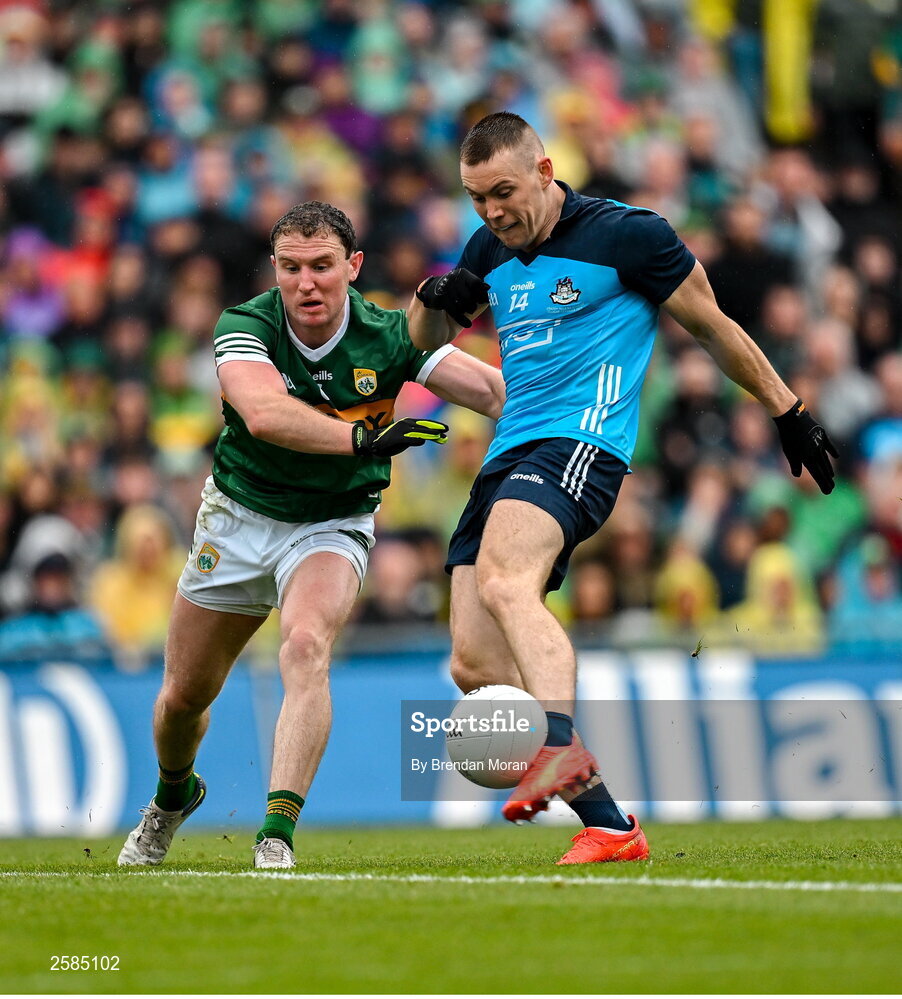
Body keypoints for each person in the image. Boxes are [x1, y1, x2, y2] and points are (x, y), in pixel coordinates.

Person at [407, 112, 838, 865]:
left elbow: (714, 327)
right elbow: (421, 345)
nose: (491, 212)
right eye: (476, 198)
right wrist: (431, 296)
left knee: (511, 581)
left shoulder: (629, 236)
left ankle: (558, 743)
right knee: (473, 664)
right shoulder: (487, 248)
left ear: (544, 171)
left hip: (583, 444)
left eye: (503, 192)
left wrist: (788, 409)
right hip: (508, 453)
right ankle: (609, 823)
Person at [118, 201, 505, 870]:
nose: (307, 283)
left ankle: (275, 833)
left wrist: (579, 419)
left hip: (331, 522)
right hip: (237, 517)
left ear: (352, 267)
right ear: (275, 269)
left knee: (304, 645)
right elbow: (264, 414)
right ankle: (173, 796)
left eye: (323, 266)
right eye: (292, 267)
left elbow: (496, 393)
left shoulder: (388, 335)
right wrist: (361, 437)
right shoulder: (245, 323)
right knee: (183, 698)